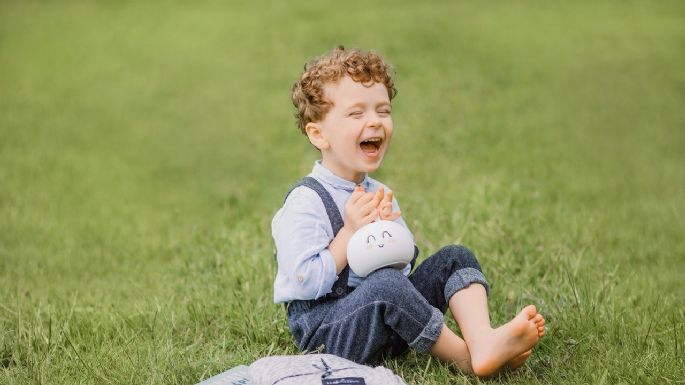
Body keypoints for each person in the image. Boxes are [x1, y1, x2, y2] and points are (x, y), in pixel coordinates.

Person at [271, 46, 545, 377]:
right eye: (356, 114)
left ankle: (483, 340)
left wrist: (391, 235)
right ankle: (467, 360)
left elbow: (403, 274)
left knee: (454, 257)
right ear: (319, 134)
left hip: (387, 324)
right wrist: (348, 234)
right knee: (386, 284)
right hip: (330, 334)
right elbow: (302, 282)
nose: (374, 121)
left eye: (383, 111)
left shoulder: (377, 192)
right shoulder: (307, 201)